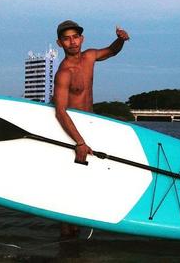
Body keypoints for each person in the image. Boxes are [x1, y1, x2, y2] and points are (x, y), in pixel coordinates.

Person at [52, 19, 129, 238]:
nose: (72, 42)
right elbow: (60, 111)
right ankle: (67, 242)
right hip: (71, 133)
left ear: (82, 39)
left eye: (75, 37)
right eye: (66, 38)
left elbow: (112, 51)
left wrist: (120, 40)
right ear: (60, 43)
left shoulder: (90, 57)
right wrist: (79, 142)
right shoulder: (64, 73)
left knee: (84, 188)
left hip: (91, 128)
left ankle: (74, 242)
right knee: (70, 191)